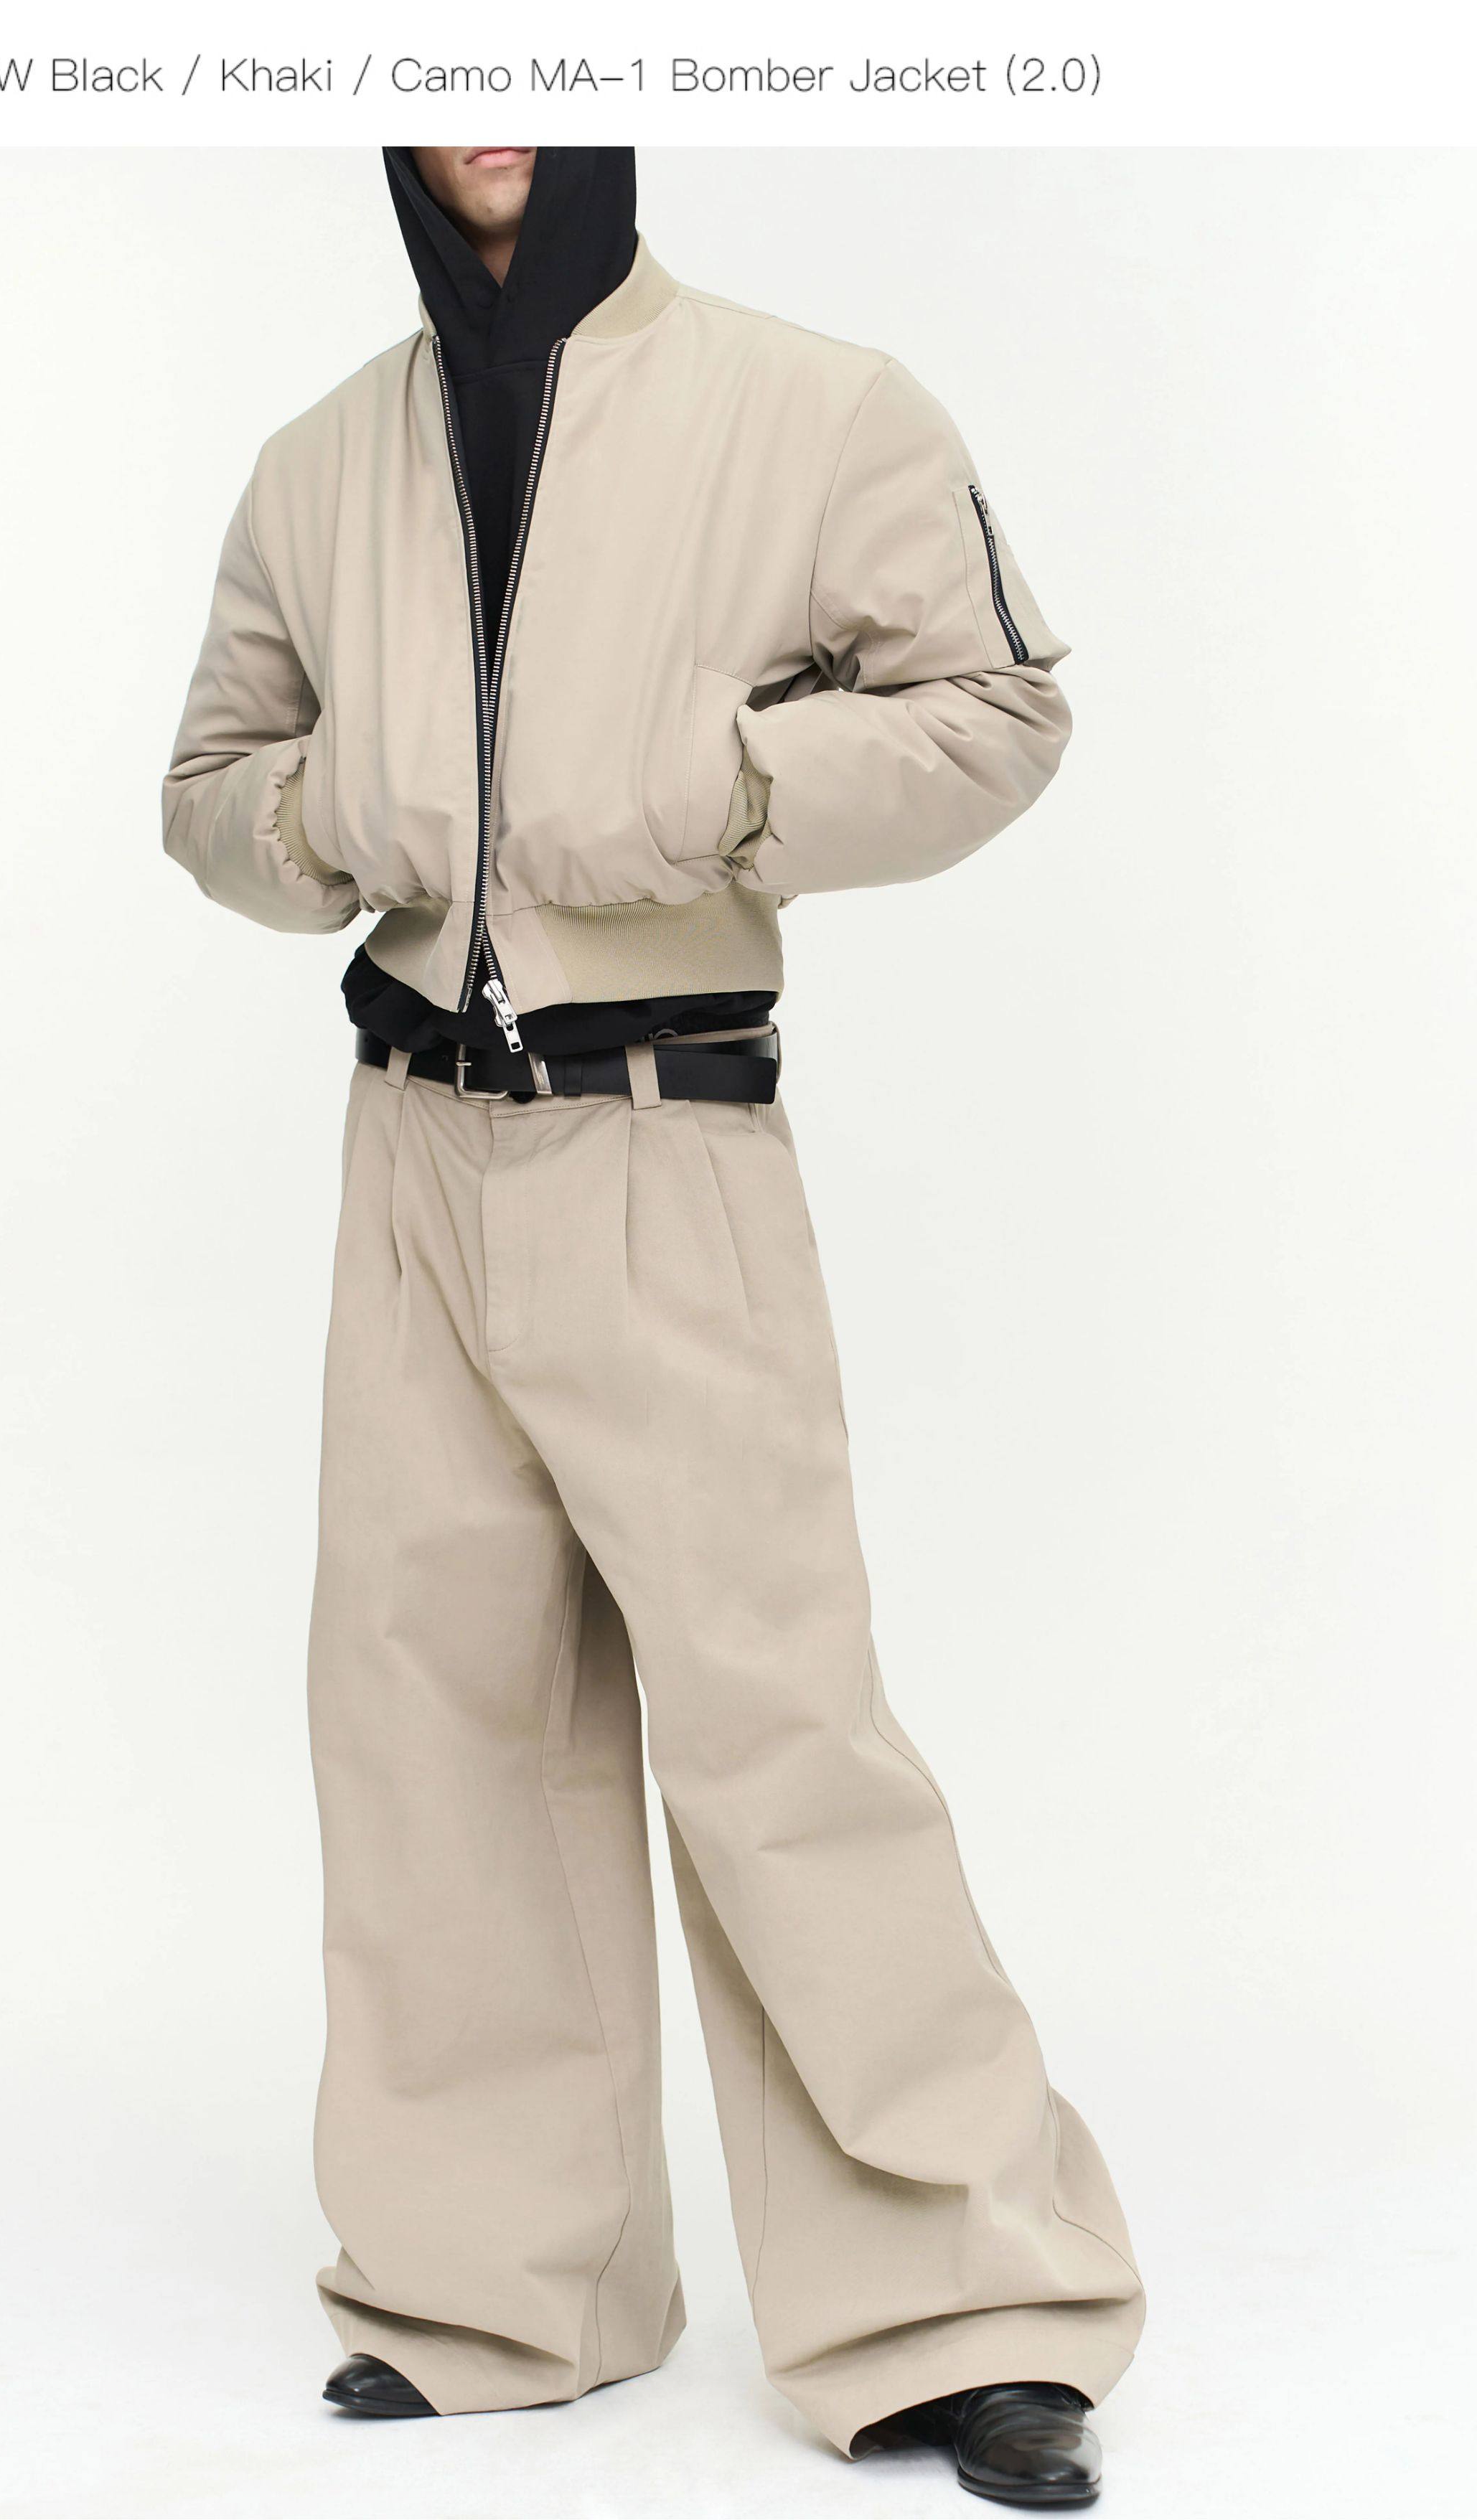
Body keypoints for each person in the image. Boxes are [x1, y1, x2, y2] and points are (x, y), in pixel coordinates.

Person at [163, 144, 1143, 2507]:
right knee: (432, 1727)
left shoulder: (814, 408)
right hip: (413, 1150)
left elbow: (1000, 713)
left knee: (778, 1730)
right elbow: (206, 794)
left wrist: (720, 783)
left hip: (665, 1137)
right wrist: (349, 811)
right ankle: (499, 2287)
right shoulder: (321, 457)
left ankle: (962, 2309)